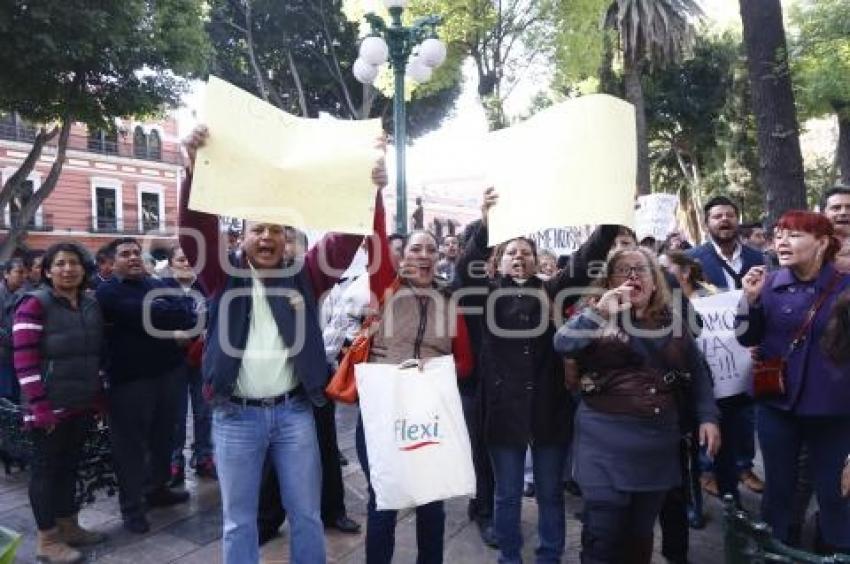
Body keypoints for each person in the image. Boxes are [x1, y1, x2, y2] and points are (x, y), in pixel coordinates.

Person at [180, 125, 378, 563]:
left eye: (276, 230)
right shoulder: (220, 276)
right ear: (241, 238)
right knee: (238, 520)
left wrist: (363, 184)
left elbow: (344, 241)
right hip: (235, 417)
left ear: (287, 240)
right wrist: (194, 173)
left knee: (306, 514)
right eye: (257, 230)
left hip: (294, 415)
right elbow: (193, 227)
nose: (267, 238)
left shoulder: (305, 275)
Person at [455, 188, 618, 564]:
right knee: (506, 494)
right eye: (511, 251)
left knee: (550, 493)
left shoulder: (553, 291)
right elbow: (466, 267)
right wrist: (486, 224)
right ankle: (509, 557)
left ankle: (550, 556)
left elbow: (584, 260)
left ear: (535, 261)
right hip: (502, 411)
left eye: (526, 252)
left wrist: (609, 219)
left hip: (548, 409)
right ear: (498, 262)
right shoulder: (484, 293)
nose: (519, 257)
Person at [554, 247, 720, 564]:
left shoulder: (674, 323)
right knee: (602, 537)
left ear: (655, 282)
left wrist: (708, 417)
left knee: (639, 535)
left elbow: (698, 375)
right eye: (623, 271)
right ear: (609, 282)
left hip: (657, 447)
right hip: (603, 445)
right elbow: (562, 343)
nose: (633, 276)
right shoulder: (593, 315)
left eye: (641, 270)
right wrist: (601, 312)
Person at [738, 210, 850, 555]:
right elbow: (745, 337)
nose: (782, 241)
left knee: (835, 494)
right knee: (779, 490)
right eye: (779, 235)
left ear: (823, 243)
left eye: (795, 235)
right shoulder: (768, 283)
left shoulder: (845, 287)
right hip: (777, 405)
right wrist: (750, 300)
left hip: (833, 411)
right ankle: (774, 552)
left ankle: (837, 552)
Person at [13, 242, 107, 563]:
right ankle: (47, 540)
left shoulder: (90, 304)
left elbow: (93, 355)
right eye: (61, 264)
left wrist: (97, 397)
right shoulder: (34, 304)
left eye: (75, 263)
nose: (68, 269)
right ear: (48, 270)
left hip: (80, 403)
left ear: (84, 269)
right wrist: (38, 406)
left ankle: (69, 526)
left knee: (70, 467)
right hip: (48, 407)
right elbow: (23, 359)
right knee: (45, 471)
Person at [96, 237, 198, 534]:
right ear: (112, 263)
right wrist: (167, 314)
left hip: (168, 374)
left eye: (136, 253)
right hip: (129, 382)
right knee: (130, 447)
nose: (133, 258)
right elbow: (150, 313)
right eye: (125, 254)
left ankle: (158, 489)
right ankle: (132, 507)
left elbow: (186, 311)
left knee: (164, 438)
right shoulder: (107, 292)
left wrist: (166, 312)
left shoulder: (156, 285)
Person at [686, 195, 764, 499]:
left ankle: (744, 466)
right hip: (713, 351)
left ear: (737, 219)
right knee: (715, 411)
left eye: (729, 214)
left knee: (747, 411)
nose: (724, 220)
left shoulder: (759, 257)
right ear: (707, 223)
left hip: (750, 346)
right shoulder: (693, 259)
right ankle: (710, 469)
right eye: (717, 216)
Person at [164, 245, 216, 485]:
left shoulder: (205, 286)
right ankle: (175, 461)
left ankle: (203, 456)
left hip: (202, 356)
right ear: (171, 263)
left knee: (204, 410)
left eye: (190, 259)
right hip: (173, 358)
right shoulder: (160, 288)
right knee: (175, 413)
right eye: (181, 259)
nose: (186, 264)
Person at [0, 258, 27, 402]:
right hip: (4, 357)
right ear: (6, 274)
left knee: (17, 398)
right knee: (5, 399)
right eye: (19, 272)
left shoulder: (24, 294)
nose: (23, 276)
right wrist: (15, 340)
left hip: (19, 357)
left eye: (24, 273)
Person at [822, 186, 850, 273]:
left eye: (849, 207)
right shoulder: (812, 244)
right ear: (823, 213)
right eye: (836, 208)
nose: (843, 212)